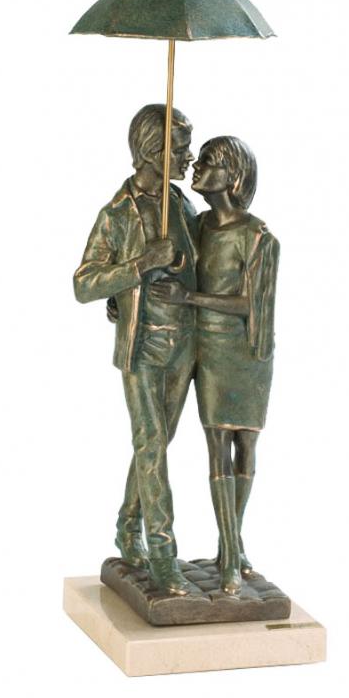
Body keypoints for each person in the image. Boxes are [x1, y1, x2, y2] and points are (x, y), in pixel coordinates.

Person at [73, 104, 198, 595]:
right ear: (152, 151)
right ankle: (162, 555)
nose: (188, 156)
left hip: (186, 343)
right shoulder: (117, 214)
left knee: (156, 444)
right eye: (180, 148)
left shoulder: (182, 204)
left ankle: (128, 526)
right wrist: (140, 267)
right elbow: (83, 282)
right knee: (151, 444)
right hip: (143, 349)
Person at [150, 136, 279, 594]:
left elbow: (251, 305)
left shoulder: (258, 236)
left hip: (245, 352)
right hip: (206, 348)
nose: (197, 167)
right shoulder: (197, 225)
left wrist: (190, 297)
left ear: (233, 176)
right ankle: (229, 558)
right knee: (217, 446)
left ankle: (233, 547)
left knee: (246, 446)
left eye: (208, 162)